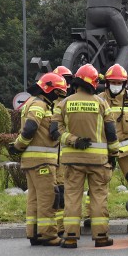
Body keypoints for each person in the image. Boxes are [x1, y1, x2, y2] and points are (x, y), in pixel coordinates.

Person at [51, 64, 120, 248]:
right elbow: (111, 132)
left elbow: (55, 131)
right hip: (98, 161)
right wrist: (113, 154)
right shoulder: (101, 103)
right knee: (98, 197)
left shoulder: (64, 103)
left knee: (73, 197)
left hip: (73, 161)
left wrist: (73, 140)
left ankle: (71, 236)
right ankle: (101, 237)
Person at [9, 72, 68, 246]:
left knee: (34, 198)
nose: (59, 96)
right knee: (48, 197)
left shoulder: (33, 103)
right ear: (49, 90)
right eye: (58, 93)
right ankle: (48, 235)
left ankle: (34, 232)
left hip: (32, 161)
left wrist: (19, 147)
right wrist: (19, 145)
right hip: (42, 161)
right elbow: (29, 129)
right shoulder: (40, 105)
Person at [99, 63, 128, 182]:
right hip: (105, 150)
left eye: (119, 83)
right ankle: (94, 201)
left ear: (124, 83)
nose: (116, 85)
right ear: (108, 83)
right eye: (113, 82)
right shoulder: (99, 99)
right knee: (100, 181)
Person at [51, 65, 74, 236]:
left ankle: (62, 227)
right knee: (57, 193)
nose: (67, 84)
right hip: (54, 155)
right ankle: (59, 228)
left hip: (63, 154)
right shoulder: (54, 104)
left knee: (63, 191)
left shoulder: (66, 102)